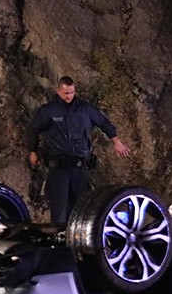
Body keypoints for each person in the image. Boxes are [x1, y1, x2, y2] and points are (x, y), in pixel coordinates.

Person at [26, 76, 130, 224]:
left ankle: (76, 240)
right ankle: (59, 239)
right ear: (58, 91)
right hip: (59, 166)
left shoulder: (84, 109)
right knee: (60, 207)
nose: (69, 96)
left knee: (80, 208)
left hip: (80, 166)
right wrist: (33, 151)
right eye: (66, 93)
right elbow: (32, 129)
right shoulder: (48, 111)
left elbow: (103, 123)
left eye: (72, 93)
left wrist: (117, 142)